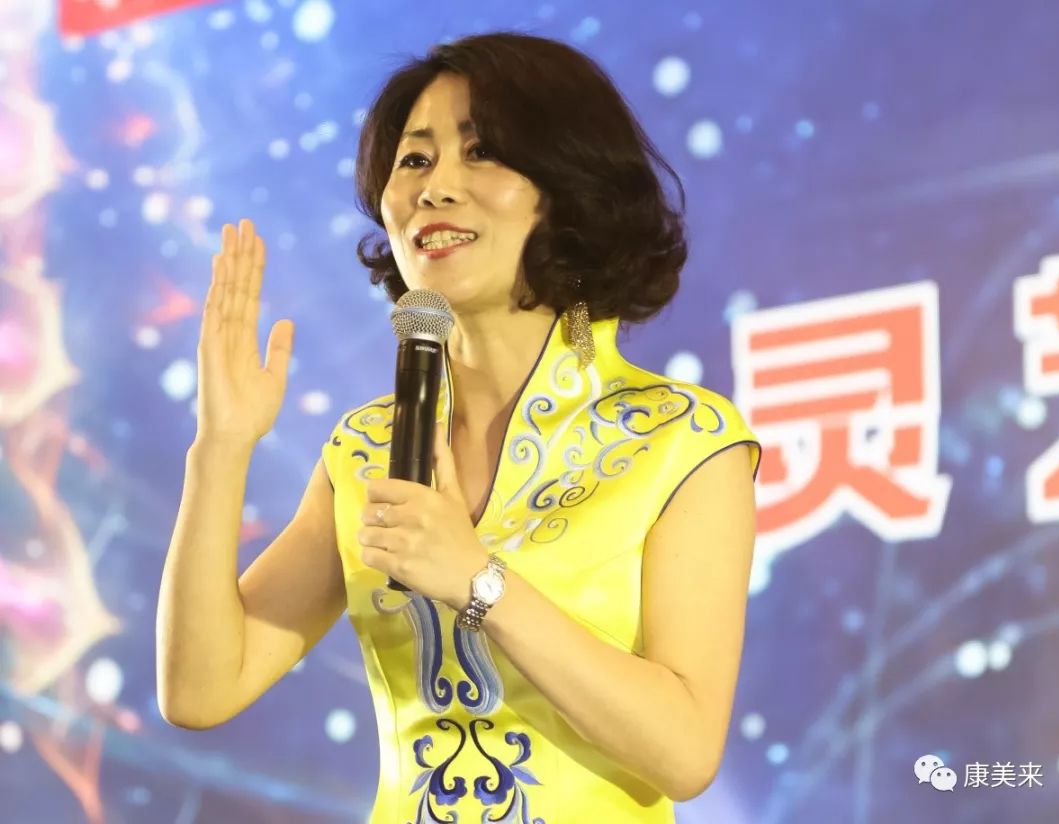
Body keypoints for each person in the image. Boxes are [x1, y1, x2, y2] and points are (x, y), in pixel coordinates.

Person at [156, 31, 760, 823]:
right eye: (414, 159)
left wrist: (478, 581)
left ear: (567, 188)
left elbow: (685, 753)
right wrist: (220, 449)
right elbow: (201, 691)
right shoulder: (368, 452)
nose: (435, 188)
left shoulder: (681, 440)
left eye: (482, 153)